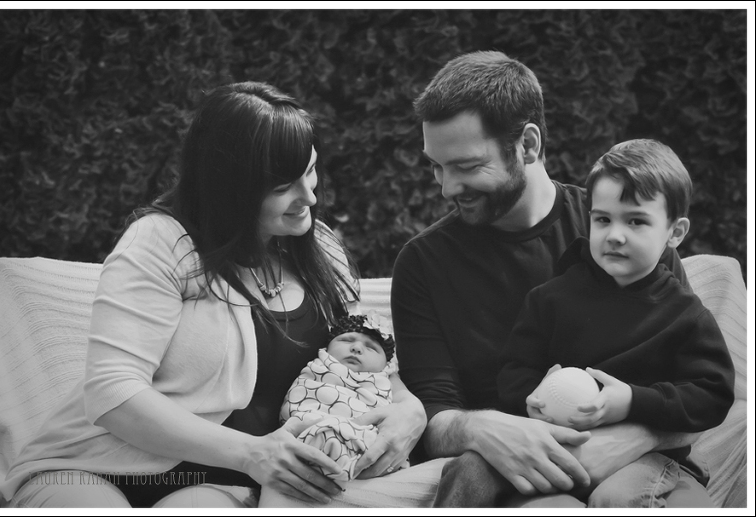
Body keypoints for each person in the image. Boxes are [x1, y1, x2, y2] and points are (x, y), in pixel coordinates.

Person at [0, 82, 425, 508]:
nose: (308, 197)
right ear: (229, 186)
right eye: (282, 187)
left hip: (223, 484)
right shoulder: (161, 241)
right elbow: (112, 392)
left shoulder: (321, 250)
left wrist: (410, 409)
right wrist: (252, 454)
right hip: (95, 467)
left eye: (310, 170)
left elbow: (366, 355)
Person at [392, 51, 713, 507]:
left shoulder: (625, 234)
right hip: (517, 478)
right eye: (437, 166)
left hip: (645, 468)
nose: (446, 188)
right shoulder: (423, 263)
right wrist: (481, 429)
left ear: (527, 144)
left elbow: (704, 395)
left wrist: (629, 440)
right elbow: (433, 412)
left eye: (466, 166)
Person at [443, 139, 735, 507]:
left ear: (675, 233)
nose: (615, 235)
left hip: (642, 457)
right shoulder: (551, 298)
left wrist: (633, 401)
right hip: (554, 441)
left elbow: (713, 394)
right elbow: (515, 369)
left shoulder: (685, 314)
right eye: (603, 219)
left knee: (618, 498)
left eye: (636, 221)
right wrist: (533, 396)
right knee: (470, 469)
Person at [279, 311, 406, 485]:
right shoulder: (316, 370)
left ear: (386, 365)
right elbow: (297, 403)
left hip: (364, 452)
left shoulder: (383, 384)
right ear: (327, 347)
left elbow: (391, 425)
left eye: (371, 347)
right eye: (346, 340)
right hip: (308, 435)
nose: (357, 348)